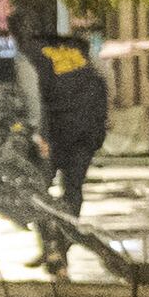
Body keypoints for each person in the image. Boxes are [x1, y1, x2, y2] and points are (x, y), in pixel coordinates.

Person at [30, 20, 112, 226]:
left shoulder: (42, 60)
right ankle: (67, 230)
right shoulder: (87, 62)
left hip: (57, 134)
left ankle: (51, 235)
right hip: (84, 133)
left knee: (40, 185)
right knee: (73, 186)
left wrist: (39, 133)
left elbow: (39, 100)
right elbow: (104, 90)